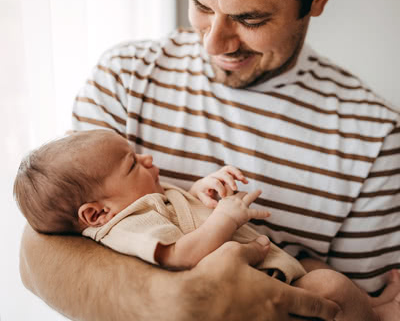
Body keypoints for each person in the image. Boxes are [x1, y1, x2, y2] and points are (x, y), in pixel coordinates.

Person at [19, 0, 400, 320]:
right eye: (201, 5)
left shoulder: (372, 140)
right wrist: (179, 300)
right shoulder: (125, 78)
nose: (213, 43)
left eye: (250, 19)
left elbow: (349, 307)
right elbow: (39, 256)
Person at [14, 129, 399, 320]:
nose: (147, 159)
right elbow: (180, 254)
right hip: (262, 290)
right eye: (132, 163)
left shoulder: (136, 199)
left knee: (327, 279)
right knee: (329, 286)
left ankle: (370, 304)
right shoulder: (126, 224)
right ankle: (378, 315)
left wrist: (202, 191)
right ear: (97, 215)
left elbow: (180, 213)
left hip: (275, 272)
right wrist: (225, 218)